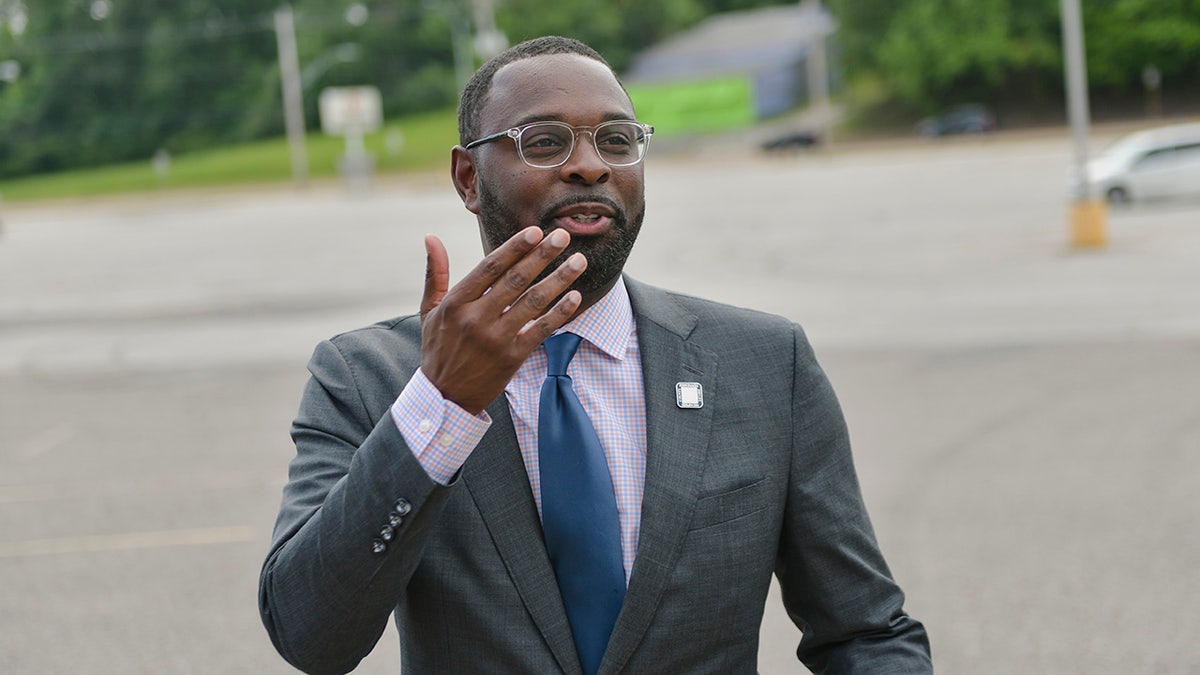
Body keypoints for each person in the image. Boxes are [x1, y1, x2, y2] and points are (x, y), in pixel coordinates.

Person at [259, 36, 931, 675]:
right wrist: (441, 402)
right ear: (468, 178)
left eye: (617, 139)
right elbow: (312, 634)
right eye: (545, 141)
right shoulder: (366, 376)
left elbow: (866, 634)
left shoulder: (762, 362)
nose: (591, 163)